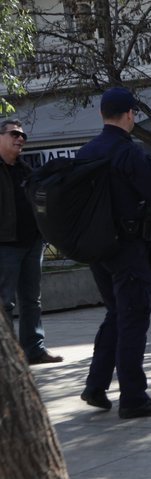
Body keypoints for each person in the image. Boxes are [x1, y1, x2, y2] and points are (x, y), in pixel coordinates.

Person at [77, 87, 151, 419]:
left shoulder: (86, 151)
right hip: (127, 248)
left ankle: (95, 386)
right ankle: (133, 396)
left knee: (117, 314)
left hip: (97, 250)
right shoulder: (128, 153)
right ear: (130, 114)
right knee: (133, 316)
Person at [0, 119, 63, 365]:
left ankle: (34, 350)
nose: (20, 139)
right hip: (5, 244)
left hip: (31, 243)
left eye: (23, 136)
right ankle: (6, 357)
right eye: (14, 134)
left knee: (31, 300)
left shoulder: (26, 170)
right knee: (5, 302)